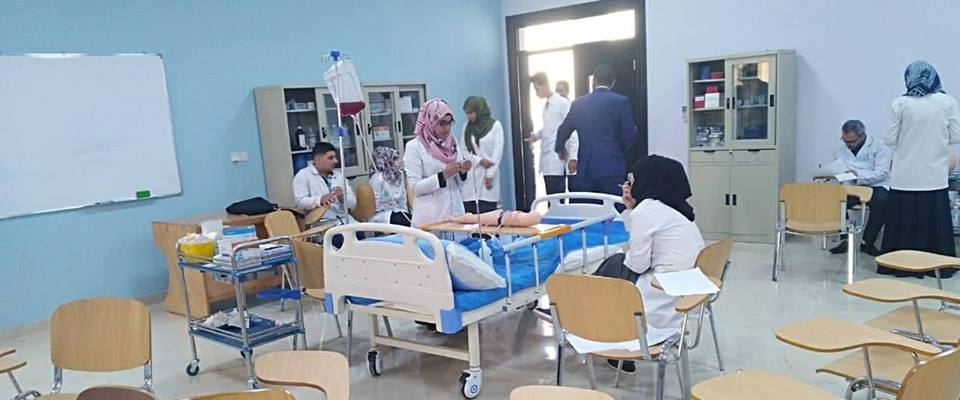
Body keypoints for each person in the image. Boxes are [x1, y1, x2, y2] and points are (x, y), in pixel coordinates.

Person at [591, 155, 704, 374]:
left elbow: (638, 265)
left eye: (632, 178)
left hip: (664, 295)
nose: (628, 184)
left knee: (612, 265)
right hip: (686, 290)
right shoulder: (673, 210)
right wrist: (631, 208)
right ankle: (588, 310)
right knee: (614, 265)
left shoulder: (647, 210)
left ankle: (583, 314)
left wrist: (633, 214)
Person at [882, 60, 960, 278]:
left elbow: (889, 139)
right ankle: (937, 266)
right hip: (934, 175)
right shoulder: (947, 102)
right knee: (935, 222)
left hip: (904, 176)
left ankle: (899, 265)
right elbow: (956, 135)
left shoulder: (900, 103)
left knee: (903, 221)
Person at [556, 64, 638, 200]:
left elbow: (563, 131)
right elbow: (630, 135)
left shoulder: (578, 104)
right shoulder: (621, 102)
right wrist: (616, 150)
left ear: (593, 81)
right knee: (614, 209)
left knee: (587, 209)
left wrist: (560, 149)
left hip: (586, 170)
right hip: (612, 167)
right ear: (613, 82)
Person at [403, 98, 474, 227]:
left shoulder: (452, 143)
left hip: (455, 214)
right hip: (430, 218)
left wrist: (462, 172)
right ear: (430, 121)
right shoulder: (415, 147)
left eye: (450, 123)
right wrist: (442, 176)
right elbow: (415, 188)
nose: (447, 128)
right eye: (442, 123)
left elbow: (459, 184)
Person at [828, 120, 891, 256]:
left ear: (862, 136)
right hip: (853, 186)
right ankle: (844, 239)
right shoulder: (840, 150)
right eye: (845, 141)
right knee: (836, 200)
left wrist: (859, 175)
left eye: (852, 141)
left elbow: (882, 173)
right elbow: (840, 168)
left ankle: (867, 242)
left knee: (882, 202)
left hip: (877, 185)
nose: (848, 145)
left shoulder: (880, 147)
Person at [528, 72, 579, 196]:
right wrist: (536, 136)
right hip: (547, 159)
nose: (536, 93)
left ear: (545, 85)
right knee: (551, 197)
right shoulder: (547, 106)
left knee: (557, 198)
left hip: (557, 159)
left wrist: (573, 157)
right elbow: (549, 129)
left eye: (537, 89)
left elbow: (572, 130)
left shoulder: (562, 103)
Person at [293, 141, 357, 225]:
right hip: (322, 223)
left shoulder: (339, 176)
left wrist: (342, 197)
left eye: (335, 157)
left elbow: (353, 202)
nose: (335, 161)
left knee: (365, 231)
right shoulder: (303, 175)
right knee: (344, 233)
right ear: (318, 160)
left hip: (345, 219)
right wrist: (320, 199)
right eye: (330, 158)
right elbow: (299, 202)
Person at [461, 96, 504, 214]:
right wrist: (479, 160)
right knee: (471, 216)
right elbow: (463, 150)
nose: (468, 116)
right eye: (466, 113)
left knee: (487, 214)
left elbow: (497, 153)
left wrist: (490, 175)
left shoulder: (495, 126)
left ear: (479, 110)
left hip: (489, 176)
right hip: (471, 178)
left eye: (471, 113)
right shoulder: (466, 127)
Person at [368, 146, 412, 226]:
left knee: (414, 221)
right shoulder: (377, 178)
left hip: (398, 211)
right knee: (407, 222)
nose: (400, 161)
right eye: (395, 159)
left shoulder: (399, 175)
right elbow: (375, 205)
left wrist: (405, 213)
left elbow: (403, 199)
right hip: (383, 214)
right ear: (386, 161)